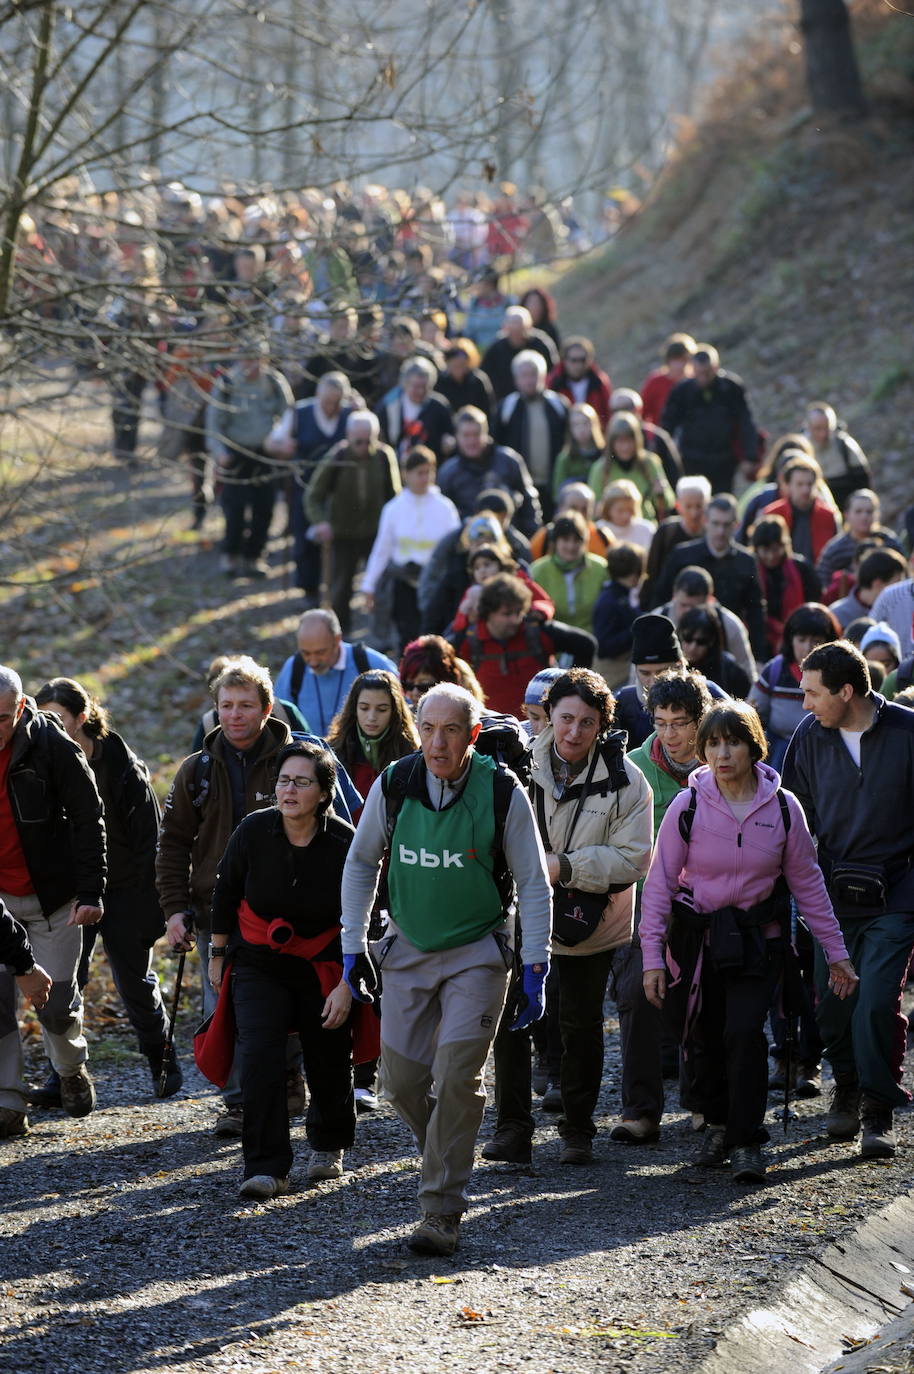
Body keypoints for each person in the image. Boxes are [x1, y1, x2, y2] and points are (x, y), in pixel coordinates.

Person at [340, 683, 553, 1255]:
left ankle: (440, 1212)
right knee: (402, 1084)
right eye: (428, 728)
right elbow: (361, 862)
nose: (438, 741)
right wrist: (352, 944)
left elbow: (533, 882)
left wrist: (536, 963)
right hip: (407, 948)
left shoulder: (502, 791)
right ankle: (448, 1144)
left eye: (451, 729)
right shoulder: (397, 782)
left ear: (472, 734)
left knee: (458, 1075)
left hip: (478, 953)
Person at [641, 701, 857, 1181]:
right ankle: (717, 1123)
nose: (722, 753)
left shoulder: (782, 806)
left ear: (753, 746)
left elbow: (809, 884)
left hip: (761, 943)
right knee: (702, 1037)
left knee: (744, 1035)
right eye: (713, 743)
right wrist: (652, 957)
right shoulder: (688, 804)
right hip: (699, 943)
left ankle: (744, 1140)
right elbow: (660, 885)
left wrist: (836, 954)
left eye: (733, 742)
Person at [484, 670, 652, 1165]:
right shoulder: (514, 765)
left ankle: (577, 1130)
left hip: (591, 921)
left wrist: (563, 867)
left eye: (586, 722)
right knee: (511, 1021)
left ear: (602, 726)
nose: (573, 732)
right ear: (547, 716)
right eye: (565, 718)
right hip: (519, 914)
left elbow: (635, 859)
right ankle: (513, 1128)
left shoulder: (627, 780)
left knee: (579, 1024)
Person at [208, 742, 372, 1197]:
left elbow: (364, 915)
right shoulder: (253, 831)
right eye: (283, 780)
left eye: (302, 782)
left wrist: (347, 981)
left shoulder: (344, 842)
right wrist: (217, 955)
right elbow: (225, 893)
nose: (289, 790)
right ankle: (265, 1167)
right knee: (259, 1056)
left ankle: (329, 1141)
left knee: (328, 1053)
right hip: (259, 963)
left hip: (324, 963)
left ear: (324, 792)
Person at [157, 657, 303, 1135]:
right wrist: (175, 909)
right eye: (226, 705)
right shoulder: (195, 770)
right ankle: (239, 1103)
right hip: (214, 913)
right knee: (222, 1006)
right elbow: (173, 843)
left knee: (286, 1002)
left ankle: (287, 1078)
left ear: (267, 709)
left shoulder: (297, 763)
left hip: (287, 912)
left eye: (245, 705)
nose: (235, 715)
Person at [783, 641, 914, 1159]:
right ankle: (848, 1086)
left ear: (847, 690)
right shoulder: (810, 738)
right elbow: (793, 819)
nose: (805, 704)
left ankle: (878, 1109)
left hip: (898, 894)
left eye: (813, 692)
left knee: (877, 1002)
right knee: (833, 1007)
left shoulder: (907, 733)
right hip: (831, 898)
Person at [33, 680, 180, 1102]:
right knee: (63, 983)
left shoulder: (122, 766)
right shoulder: (44, 761)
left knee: (133, 981)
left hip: (126, 889)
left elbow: (149, 840)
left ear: (82, 718)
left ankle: (161, 1057)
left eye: (58, 718)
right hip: (74, 890)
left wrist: (151, 905)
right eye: (43, 718)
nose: (50, 727)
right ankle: (62, 1075)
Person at [0, 666, 105, 1137]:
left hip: (54, 899)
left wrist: (91, 891)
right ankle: (8, 1100)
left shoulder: (53, 746)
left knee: (56, 1004)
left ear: (22, 709)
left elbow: (89, 816)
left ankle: (69, 1069)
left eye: (1, 719)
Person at [626, 670, 714, 1139]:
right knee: (640, 1003)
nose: (670, 734)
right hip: (649, 906)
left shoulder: (721, 762)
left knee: (701, 1005)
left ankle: (701, 1104)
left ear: (700, 722)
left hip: (707, 907)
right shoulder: (634, 766)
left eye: (680, 723)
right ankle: (640, 1113)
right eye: (660, 723)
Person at [305, 410, 401, 636]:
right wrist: (321, 523)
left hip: (376, 534)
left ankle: (381, 631)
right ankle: (341, 633)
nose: (364, 446)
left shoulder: (384, 456)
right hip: (342, 534)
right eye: (358, 441)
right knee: (340, 588)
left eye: (369, 440)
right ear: (348, 435)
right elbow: (313, 496)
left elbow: (394, 496)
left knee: (381, 584)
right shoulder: (337, 457)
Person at [205, 339, 293, 579]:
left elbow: (288, 414)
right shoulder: (227, 383)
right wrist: (219, 451)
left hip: (265, 454)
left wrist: (282, 441)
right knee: (234, 509)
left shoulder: (274, 382)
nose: (251, 365)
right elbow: (214, 424)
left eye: (256, 359)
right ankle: (230, 555)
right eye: (246, 358)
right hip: (235, 453)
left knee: (264, 508)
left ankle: (254, 556)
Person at [450, 573, 596, 716]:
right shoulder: (468, 640)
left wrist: (571, 690)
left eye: (519, 612)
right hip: (490, 727)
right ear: (488, 614)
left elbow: (586, 645)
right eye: (507, 614)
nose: (515, 619)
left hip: (539, 727)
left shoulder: (537, 631)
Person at [264, 372, 354, 603]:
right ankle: (308, 588)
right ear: (318, 395)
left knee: (340, 540)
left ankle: (335, 587)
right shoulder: (299, 413)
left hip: (340, 488)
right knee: (304, 538)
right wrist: (283, 446)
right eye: (327, 401)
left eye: (336, 402)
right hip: (304, 486)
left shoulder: (350, 415)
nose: (331, 407)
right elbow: (272, 442)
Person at [361, 445, 460, 652]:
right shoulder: (393, 508)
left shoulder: (445, 508)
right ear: (406, 474)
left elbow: (454, 547)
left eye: (429, 472)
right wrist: (369, 586)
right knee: (407, 635)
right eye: (419, 473)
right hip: (403, 581)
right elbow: (382, 549)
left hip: (435, 583)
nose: (425, 478)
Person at [651, 494, 768, 661]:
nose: (721, 531)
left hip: (726, 643)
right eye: (716, 523)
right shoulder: (682, 555)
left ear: (736, 525)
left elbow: (755, 611)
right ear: (705, 521)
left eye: (726, 525)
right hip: (682, 643)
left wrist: (759, 657)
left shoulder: (746, 561)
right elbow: (660, 596)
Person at [274, 609, 398, 741]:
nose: (313, 661)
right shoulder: (293, 667)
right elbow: (278, 714)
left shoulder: (372, 663)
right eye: (305, 653)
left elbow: (405, 711)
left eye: (320, 652)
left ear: (337, 640)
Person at [748, 603, 841, 771]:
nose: (808, 648)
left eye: (816, 641)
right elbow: (752, 714)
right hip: (780, 754)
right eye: (801, 640)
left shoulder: (838, 674)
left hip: (826, 753)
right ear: (790, 640)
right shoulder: (775, 671)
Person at [614, 614, 727, 750]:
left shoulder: (712, 695)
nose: (654, 681)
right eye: (645, 673)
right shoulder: (624, 702)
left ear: (679, 665)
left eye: (662, 672)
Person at [661, 344, 758, 494]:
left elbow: (746, 423)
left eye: (707, 373)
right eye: (698, 373)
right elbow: (668, 425)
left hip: (724, 460)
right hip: (691, 459)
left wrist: (749, 455)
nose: (703, 378)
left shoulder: (731, 388)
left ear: (715, 368)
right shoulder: (682, 391)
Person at [327, 671, 420, 823]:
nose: (371, 717)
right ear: (354, 709)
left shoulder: (412, 754)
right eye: (364, 708)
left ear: (395, 711)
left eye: (382, 709)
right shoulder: (332, 752)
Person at [436, 405, 541, 536]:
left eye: (476, 434)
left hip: (509, 536)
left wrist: (532, 534)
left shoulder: (509, 461)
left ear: (486, 433)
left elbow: (528, 499)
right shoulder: (448, 472)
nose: (471, 441)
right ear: (457, 436)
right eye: (466, 435)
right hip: (466, 540)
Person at [495, 351, 569, 516]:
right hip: (519, 487)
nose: (529, 380)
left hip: (553, 485)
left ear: (543, 376)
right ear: (516, 379)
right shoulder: (507, 407)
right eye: (524, 375)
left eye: (534, 374)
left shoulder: (558, 405)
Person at [658, 566, 755, 681]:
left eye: (695, 607)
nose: (688, 612)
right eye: (683, 605)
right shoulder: (657, 621)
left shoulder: (730, 626)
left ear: (709, 599)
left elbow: (747, 674)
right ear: (674, 594)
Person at [751, 515, 822, 656]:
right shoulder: (750, 570)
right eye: (765, 550)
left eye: (776, 549)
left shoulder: (802, 569)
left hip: (798, 636)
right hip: (760, 638)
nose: (771, 556)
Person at [588, 412, 673, 524]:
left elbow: (668, 504)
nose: (625, 447)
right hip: (611, 531)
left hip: (644, 525)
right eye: (620, 441)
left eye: (629, 440)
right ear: (611, 442)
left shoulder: (650, 463)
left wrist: (661, 494)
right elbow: (592, 511)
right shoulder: (600, 468)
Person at [530, 511, 608, 632]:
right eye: (565, 540)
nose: (571, 546)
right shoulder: (537, 571)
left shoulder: (601, 568)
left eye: (577, 540)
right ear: (555, 541)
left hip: (593, 639)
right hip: (553, 639)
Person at [643, 475, 711, 608]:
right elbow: (652, 574)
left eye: (699, 506)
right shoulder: (666, 532)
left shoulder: (713, 535)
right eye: (689, 506)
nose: (694, 513)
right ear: (678, 505)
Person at [760, 456, 840, 566]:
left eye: (810, 484)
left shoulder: (828, 516)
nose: (805, 490)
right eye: (799, 484)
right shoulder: (772, 514)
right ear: (788, 485)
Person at [816, 490, 902, 591]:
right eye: (858, 511)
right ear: (847, 515)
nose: (864, 517)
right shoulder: (834, 549)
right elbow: (822, 582)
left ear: (877, 514)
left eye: (869, 512)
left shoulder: (890, 543)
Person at [376, 356, 454, 461]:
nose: (420, 391)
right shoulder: (389, 406)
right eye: (416, 386)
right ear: (405, 384)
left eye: (425, 386)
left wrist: (448, 443)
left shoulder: (440, 407)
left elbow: (450, 433)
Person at [592, 544, 645, 688]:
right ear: (635, 572)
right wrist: (636, 630)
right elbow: (604, 646)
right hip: (611, 678)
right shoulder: (611, 601)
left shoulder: (619, 595)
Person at [481, 305, 558, 401]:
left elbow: (554, 371)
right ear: (505, 328)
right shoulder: (495, 349)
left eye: (520, 329)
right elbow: (486, 376)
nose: (516, 333)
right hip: (505, 399)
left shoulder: (541, 344)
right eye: (512, 329)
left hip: (541, 397)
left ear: (529, 327)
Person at [805, 403, 871, 511]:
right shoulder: (800, 447)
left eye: (827, 428)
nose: (823, 434)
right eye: (818, 429)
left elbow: (863, 480)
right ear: (808, 427)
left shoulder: (845, 445)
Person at [678, 607, 751, 698]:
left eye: (701, 641)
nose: (693, 647)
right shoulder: (670, 666)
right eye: (688, 639)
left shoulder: (729, 670)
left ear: (711, 641)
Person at [398, 635, 485, 709]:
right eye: (408, 685)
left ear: (447, 681)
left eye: (424, 685)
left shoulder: (480, 721)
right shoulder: (403, 722)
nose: (415, 693)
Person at [830, 547, 907, 631]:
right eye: (896, 583)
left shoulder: (898, 611)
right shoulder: (837, 615)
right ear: (877, 583)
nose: (900, 589)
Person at [547, 338, 611, 428]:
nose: (578, 365)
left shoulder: (599, 382)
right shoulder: (554, 382)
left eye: (582, 360)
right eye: (574, 360)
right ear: (564, 360)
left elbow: (608, 414)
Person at [551, 404, 605, 500]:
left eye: (585, 423)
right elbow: (557, 494)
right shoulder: (564, 458)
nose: (581, 429)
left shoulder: (604, 454)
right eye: (576, 424)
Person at [640, 333, 695, 426]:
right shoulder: (655, 382)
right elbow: (643, 413)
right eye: (676, 360)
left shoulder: (695, 382)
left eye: (683, 360)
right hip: (661, 434)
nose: (679, 365)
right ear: (668, 361)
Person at [436, 340, 495, 425]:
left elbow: (489, 411)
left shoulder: (478, 381)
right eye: (455, 366)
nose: (459, 369)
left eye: (462, 365)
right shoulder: (440, 382)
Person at [596, 479, 656, 553]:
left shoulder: (647, 529)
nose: (626, 516)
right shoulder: (598, 531)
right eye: (620, 510)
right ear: (608, 509)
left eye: (630, 509)